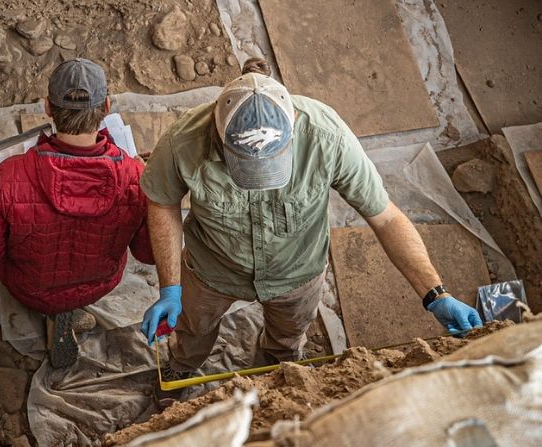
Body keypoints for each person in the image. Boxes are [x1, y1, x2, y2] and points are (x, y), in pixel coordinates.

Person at [139, 58, 483, 403]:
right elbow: (163, 203)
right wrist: (171, 288)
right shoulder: (182, 142)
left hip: (297, 274)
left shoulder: (327, 137)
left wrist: (435, 294)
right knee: (193, 329)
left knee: (287, 341)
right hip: (211, 270)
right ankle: (182, 367)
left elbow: (386, 217)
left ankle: (278, 369)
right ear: (218, 131)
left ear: (293, 130)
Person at [0, 58, 155, 368]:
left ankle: (55, 314)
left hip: (30, 289)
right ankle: (69, 313)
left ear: (48, 108)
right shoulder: (135, 176)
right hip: (100, 285)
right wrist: (149, 190)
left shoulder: (9, 176)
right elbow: (147, 253)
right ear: (106, 107)